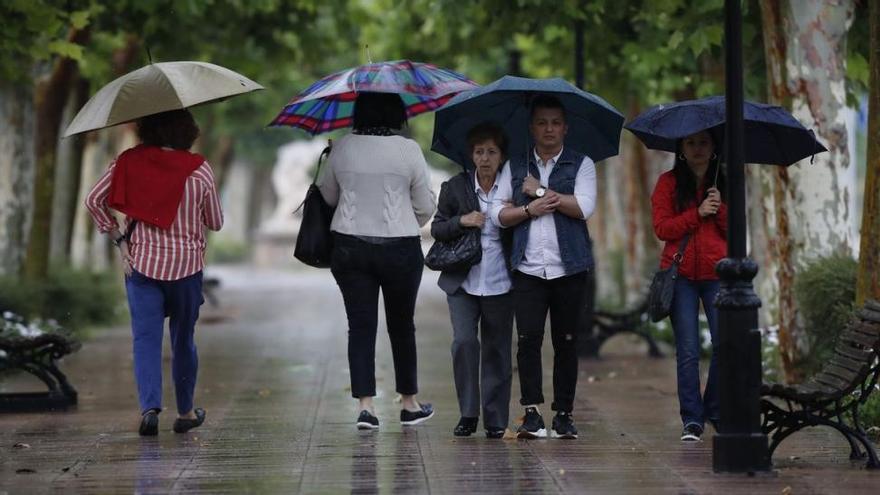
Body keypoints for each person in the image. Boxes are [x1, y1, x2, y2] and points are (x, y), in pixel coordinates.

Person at [84, 108, 223, 436]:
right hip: (187, 269)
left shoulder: (126, 163)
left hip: (141, 265)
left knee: (145, 340)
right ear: (187, 131)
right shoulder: (199, 171)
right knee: (183, 340)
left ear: (147, 129)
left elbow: (93, 200)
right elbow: (215, 222)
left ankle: (149, 409)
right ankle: (186, 412)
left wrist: (118, 237)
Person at [317, 91, 437, 430]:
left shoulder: (341, 147)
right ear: (398, 114)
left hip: (350, 248)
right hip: (400, 248)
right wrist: (400, 219)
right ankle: (409, 403)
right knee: (402, 325)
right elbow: (425, 206)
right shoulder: (409, 150)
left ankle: (366, 408)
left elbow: (327, 197)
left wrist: (333, 157)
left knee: (361, 326)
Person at [491, 95, 597, 439]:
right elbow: (498, 214)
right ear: (532, 127)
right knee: (528, 341)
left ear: (565, 127)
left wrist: (538, 191)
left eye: (555, 122)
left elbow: (583, 207)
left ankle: (564, 414)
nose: (549, 129)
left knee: (566, 342)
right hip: (528, 269)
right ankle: (532, 413)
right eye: (542, 122)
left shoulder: (582, 164)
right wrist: (526, 210)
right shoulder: (515, 166)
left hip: (570, 269)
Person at [431, 122, 513, 439]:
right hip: (462, 281)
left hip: (501, 280)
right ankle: (468, 413)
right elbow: (437, 228)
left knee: (497, 349)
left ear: (501, 155)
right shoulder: (454, 187)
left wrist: (517, 210)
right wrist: (462, 221)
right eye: (479, 152)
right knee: (464, 342)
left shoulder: (513, 187)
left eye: (491, 152)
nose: (485, 158)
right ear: (471, 155)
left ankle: (495, 419)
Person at [650, 130, 727, 442]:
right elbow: (662, 228)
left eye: (704, 143)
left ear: (713, 147)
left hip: (718, 273)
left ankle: (715, 409)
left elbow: (737, 230)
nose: (697, 149)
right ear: (680, 148)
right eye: (691, 143)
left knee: (725, 344)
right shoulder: (667, 183)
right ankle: (692, 420)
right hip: (679, 274)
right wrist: (696, 214)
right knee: (688, 350)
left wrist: (719, 209)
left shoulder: (725, 182)